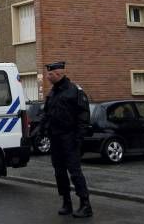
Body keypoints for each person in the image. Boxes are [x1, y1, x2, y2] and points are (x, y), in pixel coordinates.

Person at [41, 61, 93, 218]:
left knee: (75, 172)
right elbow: (47, 113)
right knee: (59, 172)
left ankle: (85, 204)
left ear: (58, 74)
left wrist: (78, 138)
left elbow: (84, 116)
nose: (47, 77)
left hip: (70, 138)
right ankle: (66, 202)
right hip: (56, 138)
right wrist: (41, 130)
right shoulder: (53, 92)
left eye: (50, 74)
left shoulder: (74, 91)